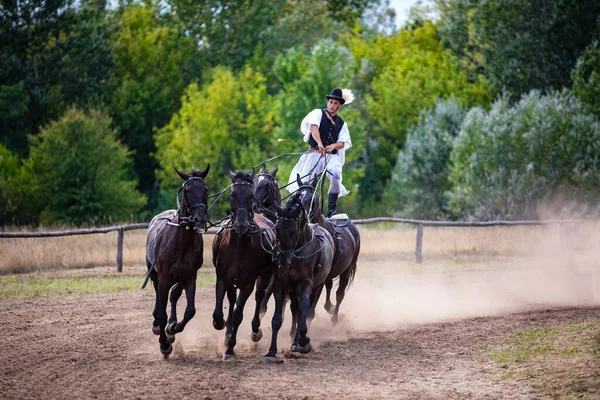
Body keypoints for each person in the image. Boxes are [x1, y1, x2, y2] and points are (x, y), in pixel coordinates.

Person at [287, 88, 354, 217]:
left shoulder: (342, 124)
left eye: (335, 103)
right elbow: (313, 128)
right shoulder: (317, 113)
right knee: (306, 180)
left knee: (336, 175)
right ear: (328, 102)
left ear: (339, 106)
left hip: (330, 156)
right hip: (314, 153)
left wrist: (332, 146)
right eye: (331, 102)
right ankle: (299, 207)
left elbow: (343, 143)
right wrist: (320, 144)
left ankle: (331, 209)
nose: (332, 105)